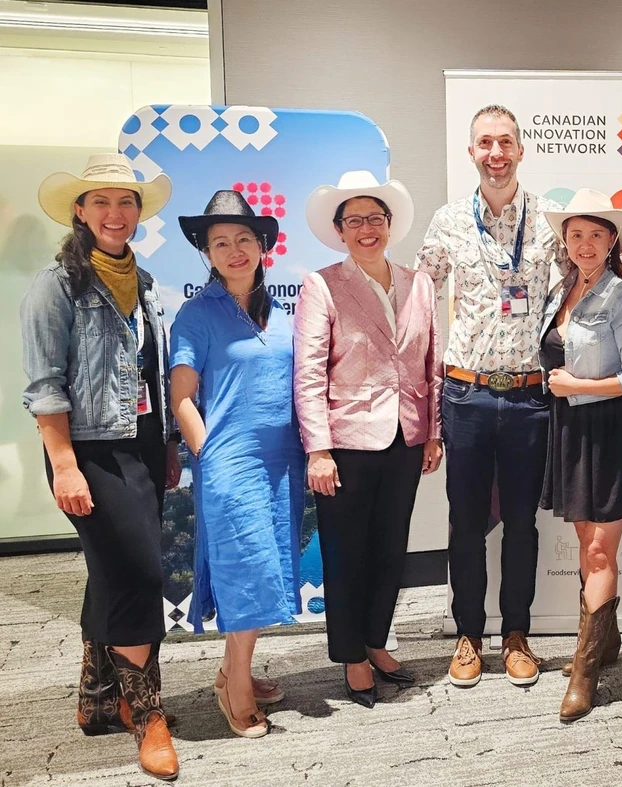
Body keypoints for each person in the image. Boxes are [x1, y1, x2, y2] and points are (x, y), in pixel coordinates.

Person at [20, 154, 180, 780]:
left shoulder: (143, 283)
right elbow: (44, 385)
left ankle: (95, 692)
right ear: (80, 212)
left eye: (127, 202)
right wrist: (63, 464)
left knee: (111, 570)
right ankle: (146, 712)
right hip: (87, 448)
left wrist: (165, 444)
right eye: (102, 202)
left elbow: (149, 375)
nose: (116, 214)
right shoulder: (57, 284)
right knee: (141, 573)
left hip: (140, 441)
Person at [416, 104, 569, 688]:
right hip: (468, 396)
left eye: (505, 142)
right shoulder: (449, 220)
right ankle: (468, 636)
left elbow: (574, 295)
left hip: (531, 397)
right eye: (485, 144)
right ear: (472, 152)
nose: (496, 153)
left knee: (524, 524)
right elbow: (416, 298)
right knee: (465, 523)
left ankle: (516, 634)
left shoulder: (549, 224)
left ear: (521, 150)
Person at [295, 171, 443, 709]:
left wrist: (433, 432)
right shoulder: (323, 284)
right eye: (354, 220)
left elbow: (432, 365)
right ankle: (351, 655)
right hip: (347, 445)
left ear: (389, 225)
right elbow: (309, 373)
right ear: (339, 230)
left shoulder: (418, 283)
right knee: (345, 553)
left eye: (375, 219)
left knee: (390, 549)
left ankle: (377, 640)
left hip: (406, 437)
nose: (366, 229)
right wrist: (318, 448)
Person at [170, 190, 305, 737]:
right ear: (206, 252)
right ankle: (238, 688)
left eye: (244, 238)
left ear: (263, 245)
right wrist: (210, 456)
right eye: (220, 242)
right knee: (246, 569)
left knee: (264, 569)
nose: (234, 250)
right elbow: (182, 397)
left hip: (282, 464)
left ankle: (232, 668)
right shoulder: (195, 314)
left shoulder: (282, 313)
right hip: (230, 464)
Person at [537, 189, 622, 721]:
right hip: (570, 428)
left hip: (609, 429)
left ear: (613, 242)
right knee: (587, 544)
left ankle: (585, 674)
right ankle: (605, 643)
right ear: (566, 241)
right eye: (575, 234)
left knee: (601, 552)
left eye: (595, 235)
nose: (584, 244)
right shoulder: (562, 290)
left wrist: (574, 388)